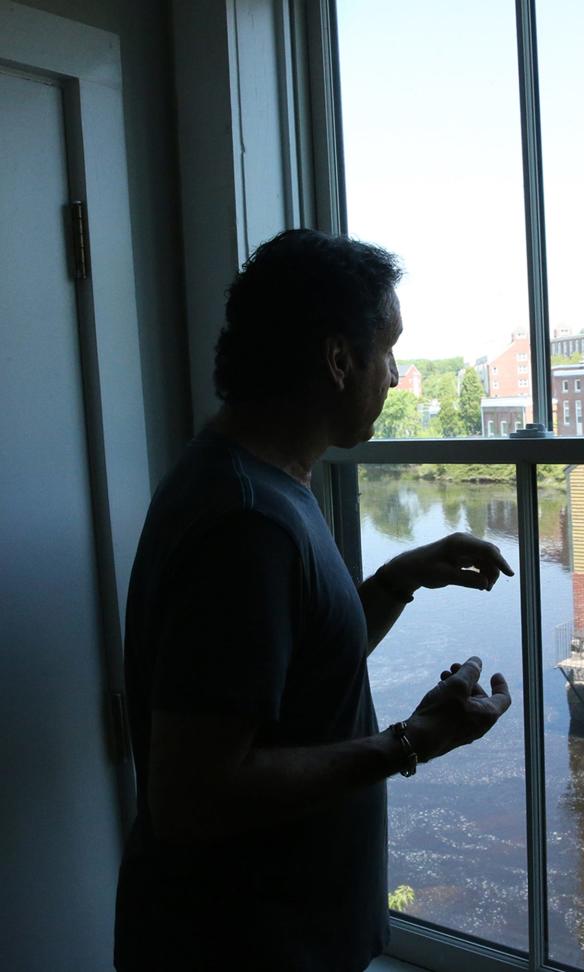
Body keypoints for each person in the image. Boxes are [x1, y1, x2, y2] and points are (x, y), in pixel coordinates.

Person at [114, 230, 513, 972]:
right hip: (244, 950)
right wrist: (413, 741)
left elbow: (294, 675)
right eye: (388, 351)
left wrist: (399, 579)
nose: (395, 375)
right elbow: (195, 795)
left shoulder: (256, 481)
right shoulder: (247, 521)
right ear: (337, 360)